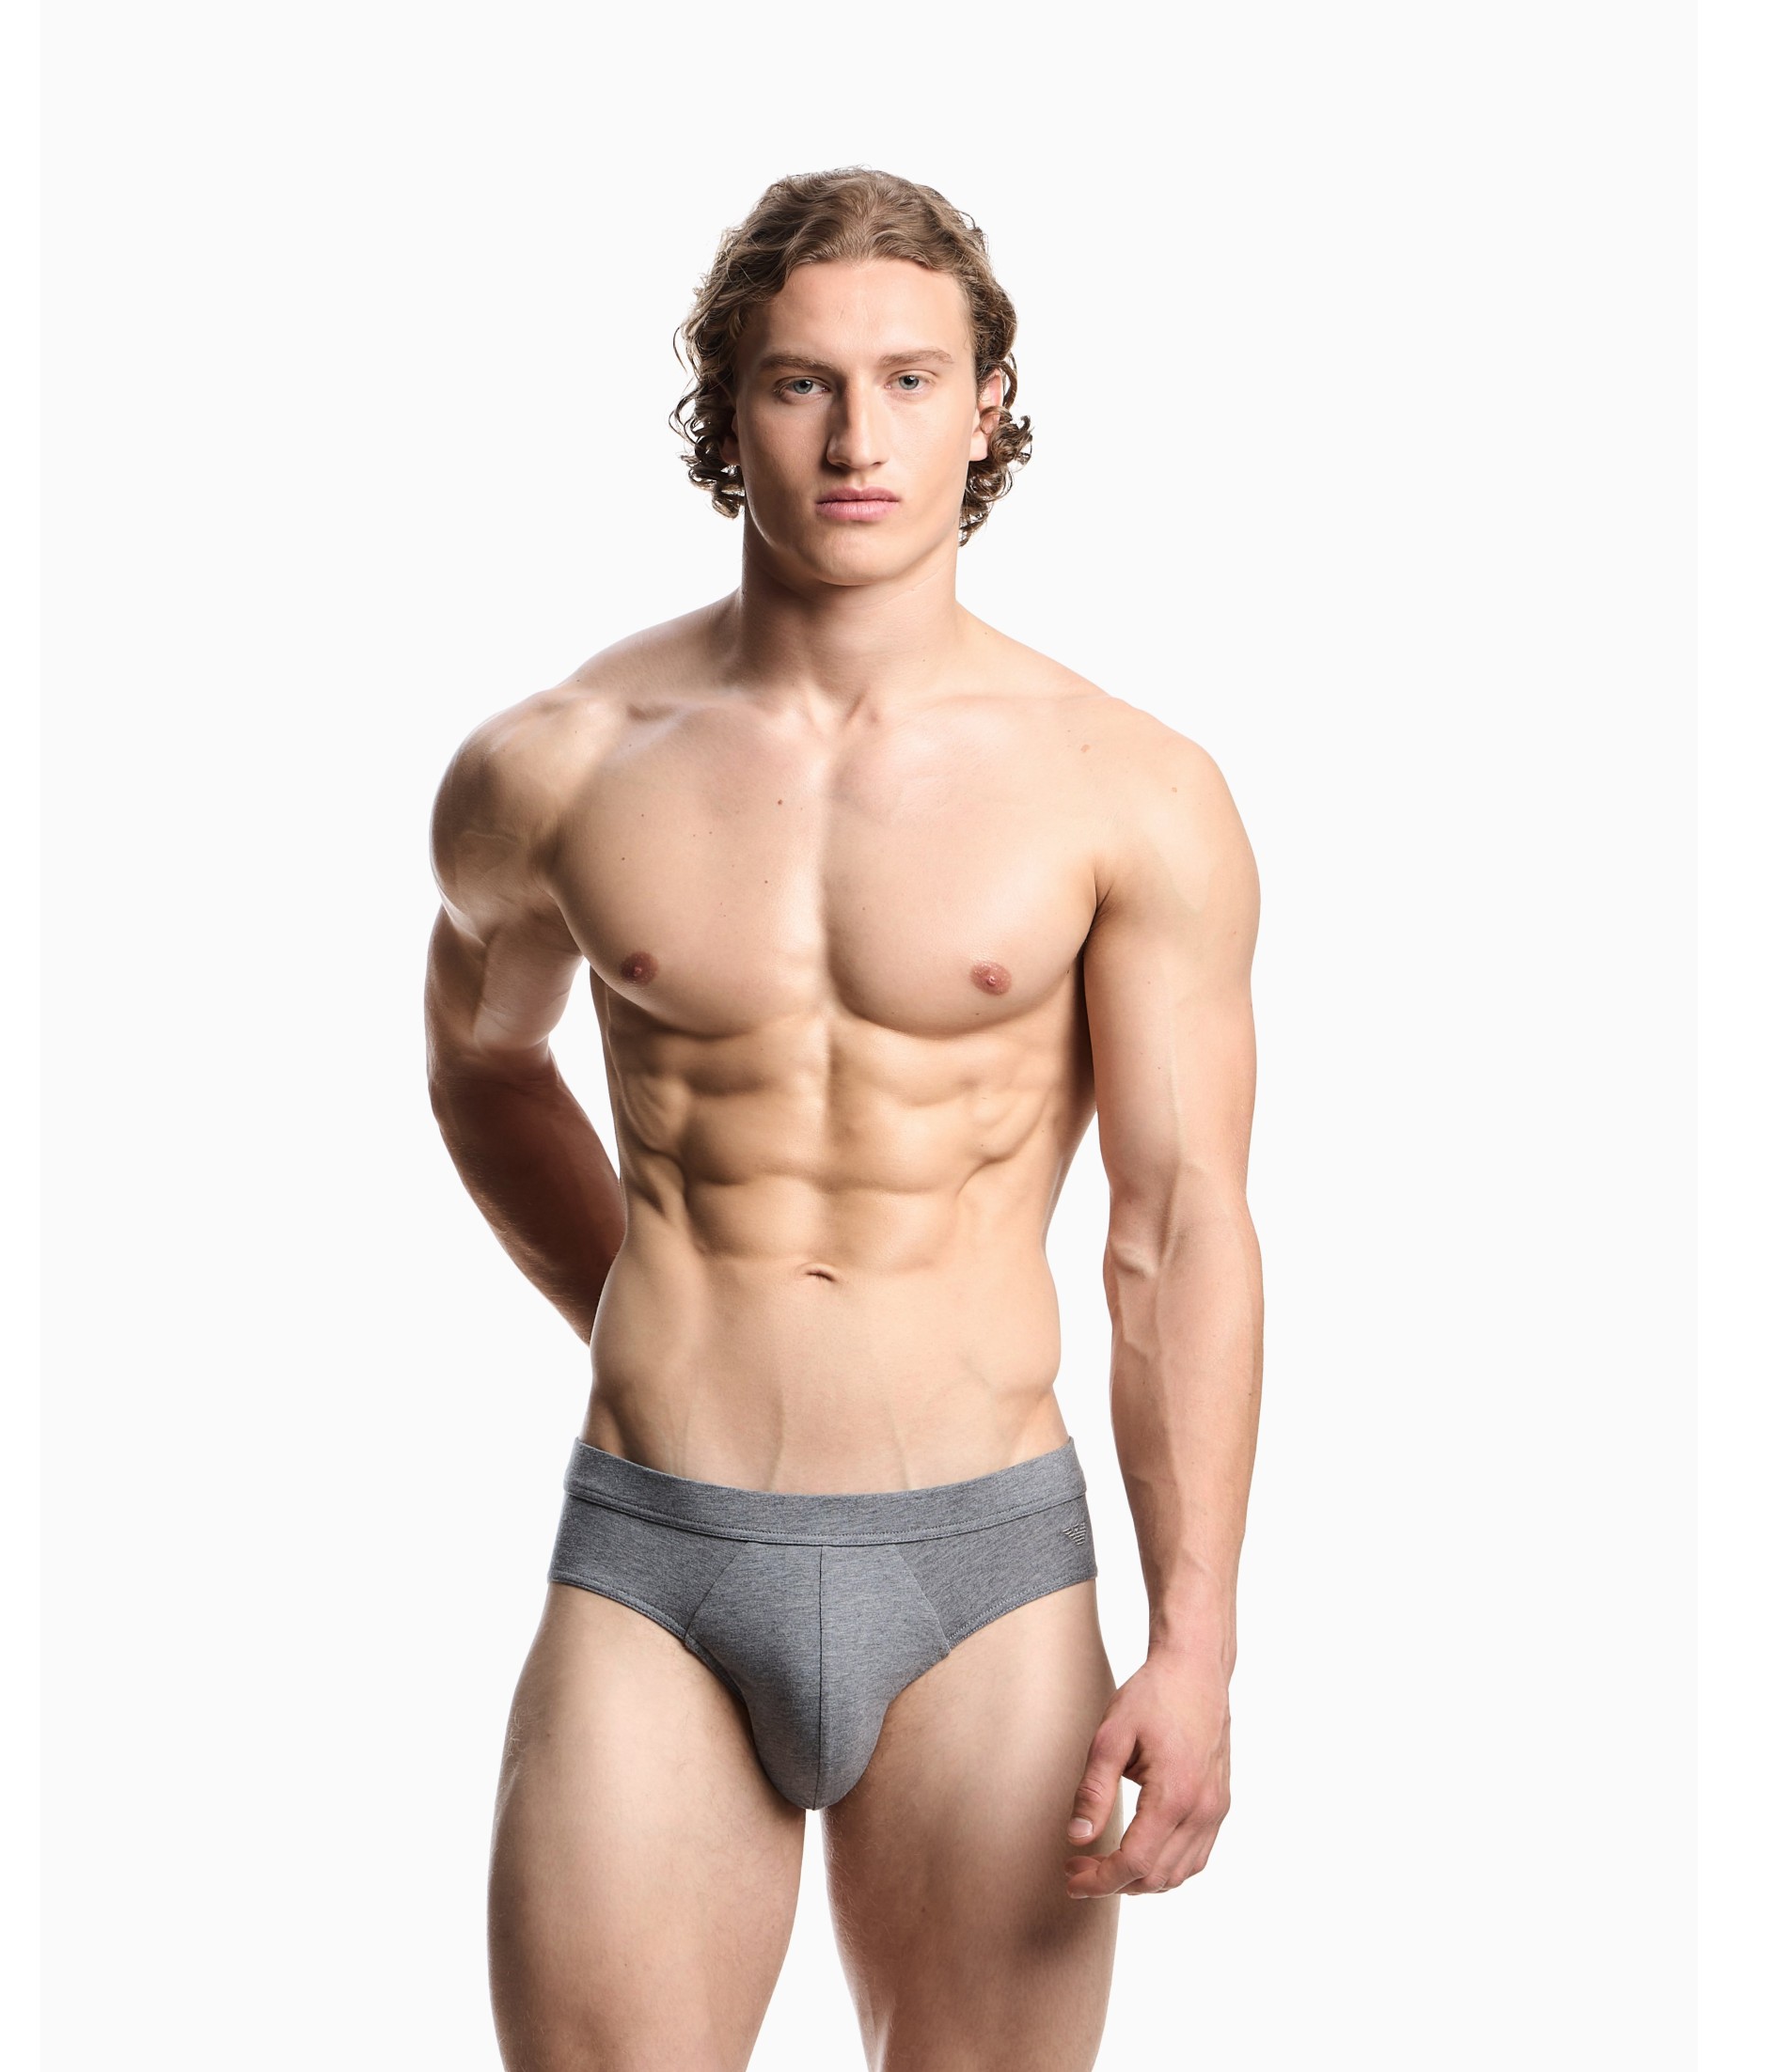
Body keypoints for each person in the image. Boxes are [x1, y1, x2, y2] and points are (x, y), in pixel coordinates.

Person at [424, 166, 1264, 2072]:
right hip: (656, 1553)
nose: (857, 438)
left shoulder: (1125, 789)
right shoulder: (556, 768)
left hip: (986, 1574)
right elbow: (480, 1061)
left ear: (988, 405)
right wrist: (638, 1299)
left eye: (909, 379)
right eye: (803, 382)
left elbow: (1178, 1225)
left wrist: (1196, 1641)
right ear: (728, 407)